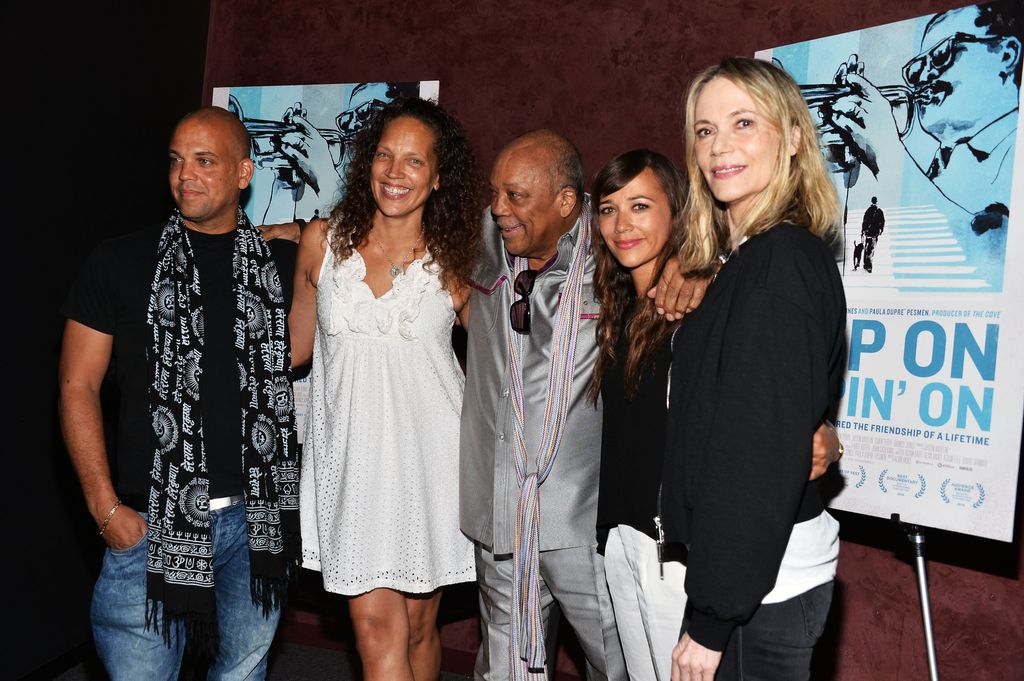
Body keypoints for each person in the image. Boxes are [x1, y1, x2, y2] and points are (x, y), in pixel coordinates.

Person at [59, 107, 300, 680]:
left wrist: (299, 229)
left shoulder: (279, 262)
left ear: (245, 173)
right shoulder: (119, 261)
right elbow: (76, 385)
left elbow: (371, 226)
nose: (184, 175)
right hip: (147, 522)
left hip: (254, 522)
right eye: (175, 160)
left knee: (243, 671)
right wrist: (103, 508)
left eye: (204, 161)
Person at [459, 129, 709, 681]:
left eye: (516, 196)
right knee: (502, 668)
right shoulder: (478, 234)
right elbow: (389, 228)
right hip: (500, 510)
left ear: (568, 203)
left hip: (582, 518)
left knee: (620, 664)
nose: (499, 208)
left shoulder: (614, 247)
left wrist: (696, 265)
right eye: (495, 193)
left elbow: (719, 244)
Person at [590, 149, 842, 681]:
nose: (622, 224)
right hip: (623, 542)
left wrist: (822, 434)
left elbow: (765, 401)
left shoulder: (704, 306)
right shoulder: (618, 308)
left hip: (676, 552)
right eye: (608, 209)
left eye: (640, 205)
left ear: (677, 212)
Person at [664, 58, 846, 681]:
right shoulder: (753, 258)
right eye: (706, 130)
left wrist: (711, 619)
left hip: (760, 591)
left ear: (793, 137)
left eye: (744, 122)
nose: (720, 147)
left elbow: (754, 455)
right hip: (759, 580)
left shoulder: (779, 264)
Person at [290, 97, 481, 681]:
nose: (395, 172)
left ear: (439, 176)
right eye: (383, 155)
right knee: (376, 631)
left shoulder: (458, 263)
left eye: (414, 161)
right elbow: (292, 348)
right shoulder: (322, 243)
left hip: (432, 467)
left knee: (422, 628)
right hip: (351, 468)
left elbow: (505, 367)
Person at [823, 2, 1020, 225]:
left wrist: (883, 149)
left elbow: (985, 246)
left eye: (941, 56)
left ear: (1006, 55)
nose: (921, 77)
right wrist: (852, 149)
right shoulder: (929, 160)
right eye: (914, 69)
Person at [860, 196, 885, 273]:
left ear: (871, 202)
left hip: (868, 233)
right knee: (871, 249)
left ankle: (865, 264)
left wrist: (863, 230)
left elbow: (864, 221)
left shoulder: (868, 211)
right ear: (876, 202)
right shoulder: (879, 211)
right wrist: (881, 230)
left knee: (867, 248)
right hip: (875, 233)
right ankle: (869, 265)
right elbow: (882, 222)